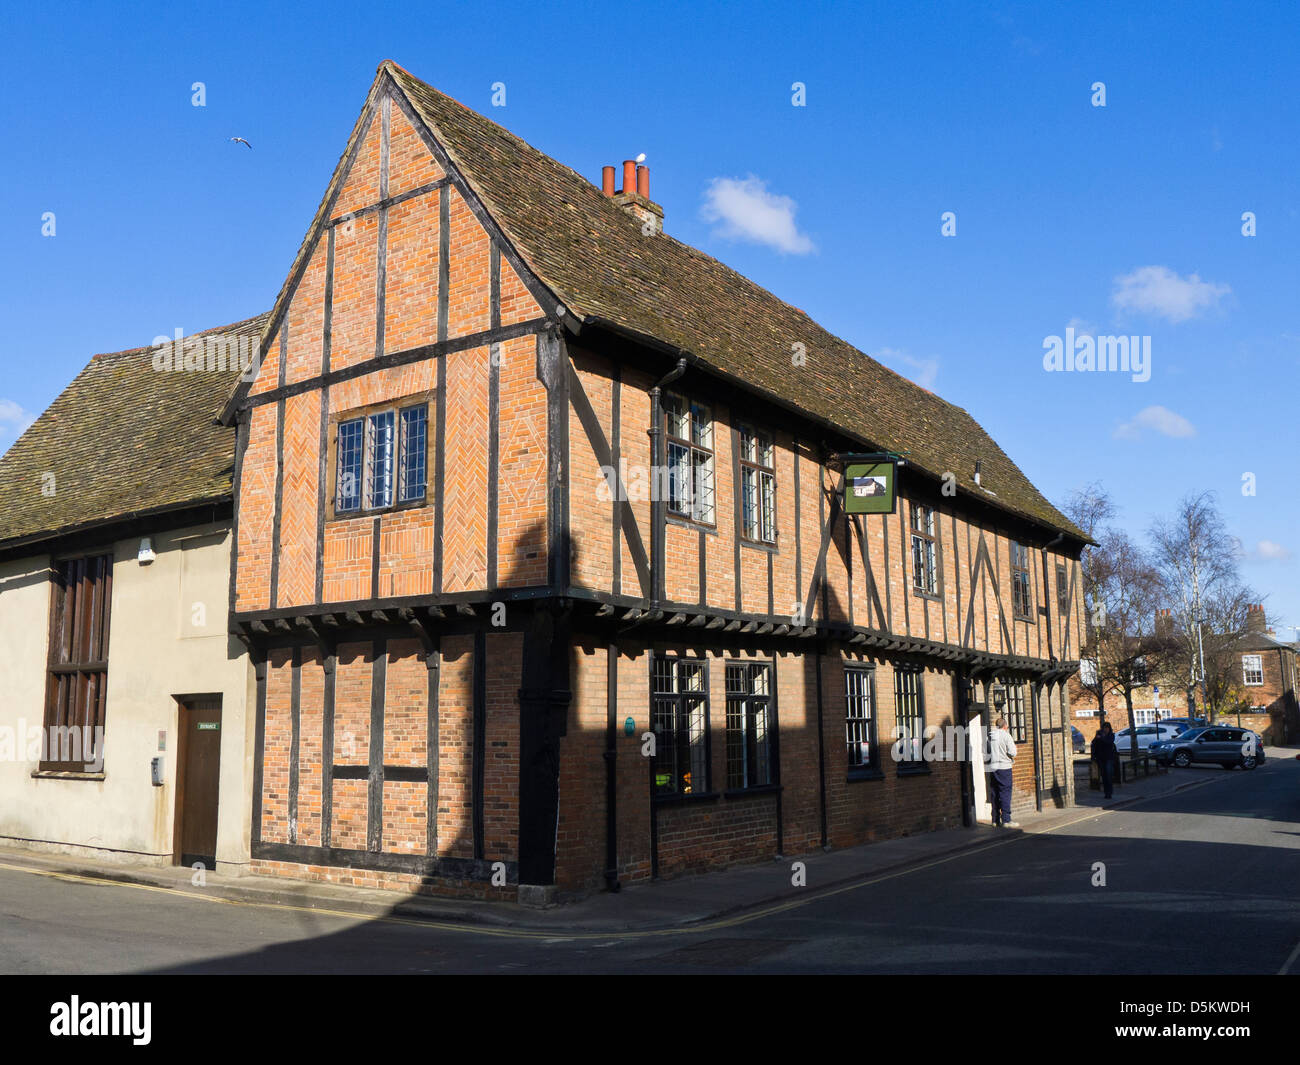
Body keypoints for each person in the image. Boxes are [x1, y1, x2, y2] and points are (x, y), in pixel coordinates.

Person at [987, 715, 1019, 828]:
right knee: (1005, 793)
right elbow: (1013, 752)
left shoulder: (990, 736)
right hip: (1004, 768)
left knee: (994, 793)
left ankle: (995, 820)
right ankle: (1006, 820)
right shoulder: (1007, 736)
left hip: (993, 767)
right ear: (1005, 726)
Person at [1091, 721, 1117, 799]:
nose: (1106, 729)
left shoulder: (1111, 735)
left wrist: (1101, 738)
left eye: (1107, 728)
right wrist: (1096, 738)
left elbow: (1109, 742)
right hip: (1101, 758)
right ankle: (1106, 792)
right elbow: (1093, 743)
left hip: (1109, 758)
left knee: (1109, 775)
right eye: (1104, 728)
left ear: (1109, 729)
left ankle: (1109, 792)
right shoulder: (1099, 734)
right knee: (1104, 776)